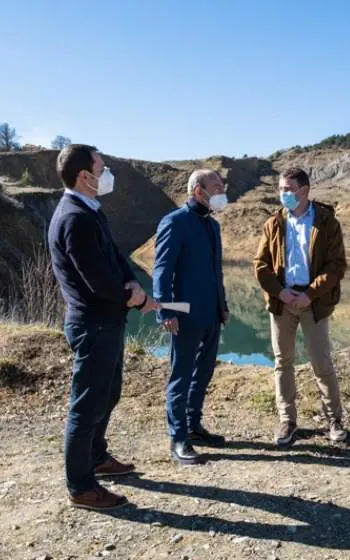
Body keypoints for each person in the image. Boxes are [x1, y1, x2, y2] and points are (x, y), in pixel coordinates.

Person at [48, 144, 159, 510]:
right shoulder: (74, 218)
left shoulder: (90, 211)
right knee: (87, 405)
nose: (107, 172)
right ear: (85, 176)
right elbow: (97, 280)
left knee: (107, 395)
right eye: (102, 167)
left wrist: (134, 285)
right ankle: (80, 486)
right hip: (93, 325)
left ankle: (96, 457)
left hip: (107, 323)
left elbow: (114, 259)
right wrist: (135, 298)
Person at [253, 167, 348, 447]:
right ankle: (287, 420)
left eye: (288, 189)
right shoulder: (274, 223)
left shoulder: (327, 222)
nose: (283, 194)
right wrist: (280, 292)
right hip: (282, 303)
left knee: (321, 362)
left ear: (305, 191)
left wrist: (311, 294)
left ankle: (335, 420)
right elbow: (260, 264)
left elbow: (336, 265)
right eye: (281, 189)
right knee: (283, 362)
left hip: (313, 303)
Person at [152, 169, 230, 465]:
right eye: (216, 186)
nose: (222, 190)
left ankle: (193, 426)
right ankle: (179, 438)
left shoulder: (212, 226)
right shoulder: (175, 222)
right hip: (184, 315)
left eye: (222, 186)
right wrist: (166, 310)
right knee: (181, 376)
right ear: (198, 190)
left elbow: (215, 271)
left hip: (211, 313)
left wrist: (222, 306)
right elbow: (162, 270)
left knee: (203, 373)